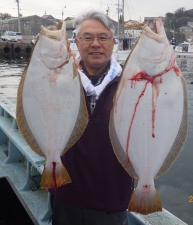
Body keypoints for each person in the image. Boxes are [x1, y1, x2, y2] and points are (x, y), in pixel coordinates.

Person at [49, 9, 134, 225]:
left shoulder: (134, 84)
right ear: (76, 42)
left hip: (112, 199)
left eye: (103, 37)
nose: (95, 44)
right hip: (64, 193)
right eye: (87, 37)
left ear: (113, 42)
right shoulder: (57, 79)